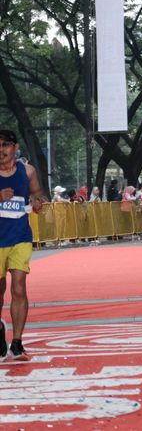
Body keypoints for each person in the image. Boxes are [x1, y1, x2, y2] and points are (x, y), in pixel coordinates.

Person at [0, 130, 43, 361]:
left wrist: (37, 203)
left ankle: (17, 342)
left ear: (15, 147)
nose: (1, 150)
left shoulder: (28, 171)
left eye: (5, 145)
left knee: (18, 288)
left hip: (20, 236)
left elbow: (36, 194)